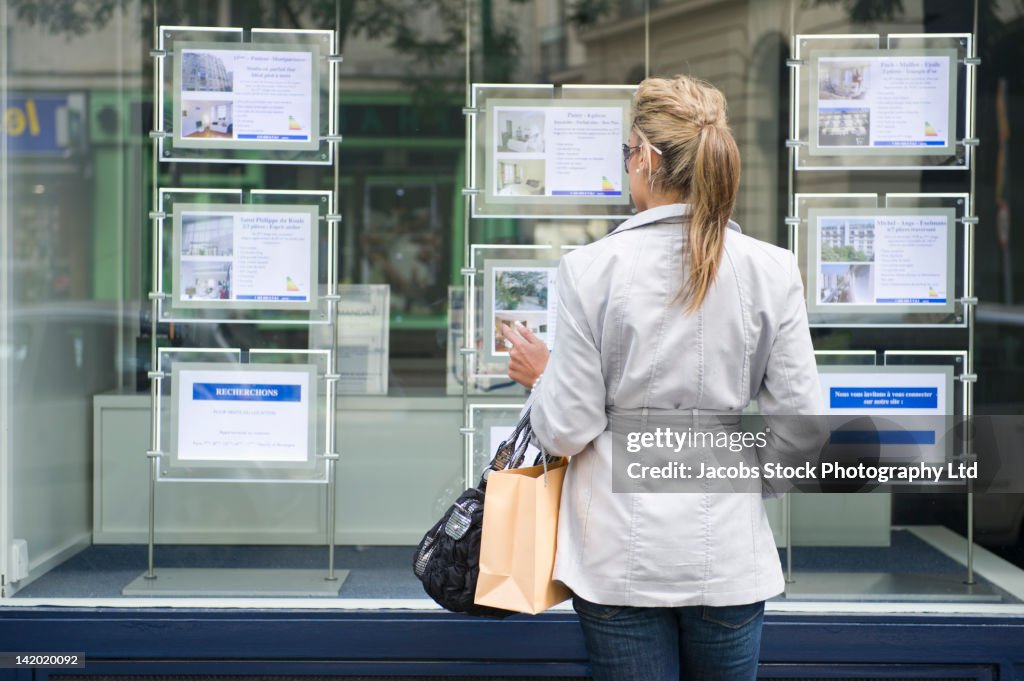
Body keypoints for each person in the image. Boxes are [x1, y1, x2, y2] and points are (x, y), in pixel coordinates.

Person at [502, 75, 823, 680]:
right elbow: (802, 436)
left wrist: (544, 379)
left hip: (617, 556)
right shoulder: (771, 269)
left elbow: (567, 429)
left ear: (647, 158)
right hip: (729, 556)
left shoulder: (588, 269)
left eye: (628, 154)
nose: (627, 169)